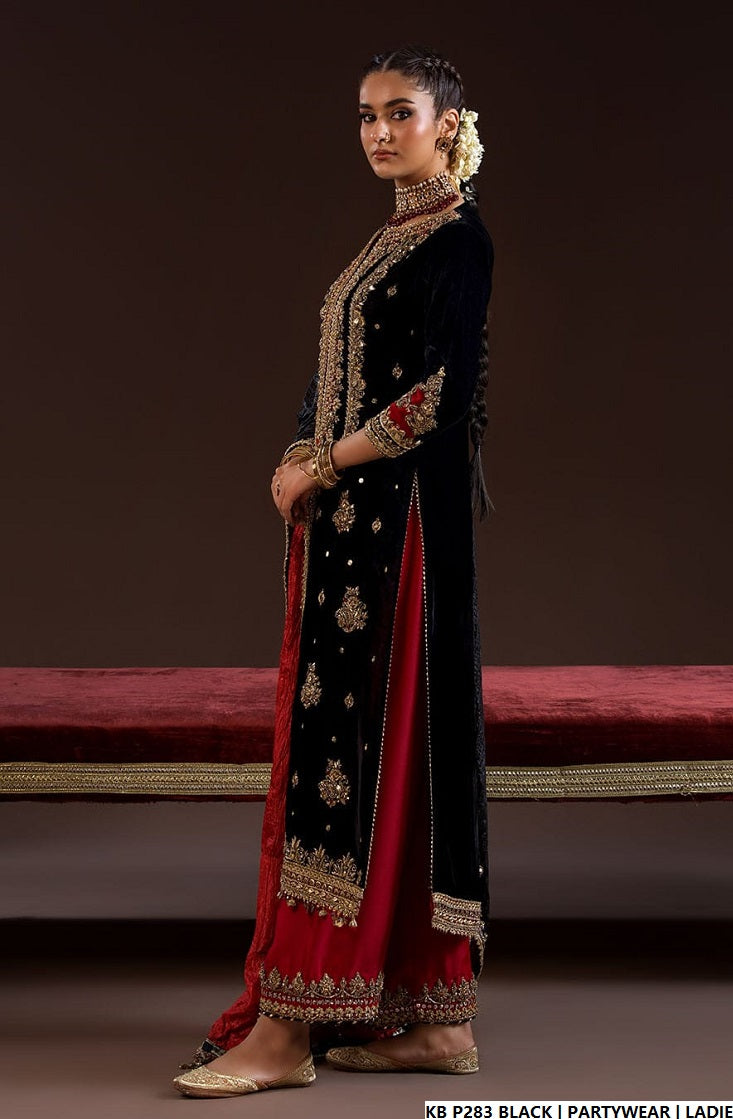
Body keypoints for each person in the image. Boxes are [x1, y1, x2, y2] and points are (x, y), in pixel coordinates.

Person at [173, 43, 494, 1098]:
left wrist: (328, 461)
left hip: (400, 536)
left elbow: (439, 393)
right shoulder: (388, 237)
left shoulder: (457, 240)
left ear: (447, 125)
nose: (378, 132)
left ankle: (290, 1028)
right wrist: (300, 451)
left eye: (400, 113)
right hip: (355, 524)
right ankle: (432, 1021)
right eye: (365, 114)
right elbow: (341, 374)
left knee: (354, 760)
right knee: (376, 755)